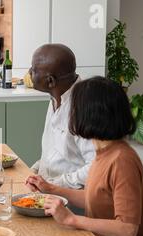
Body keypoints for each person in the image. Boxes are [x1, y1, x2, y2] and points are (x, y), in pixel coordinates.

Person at [26, 76, 143, 236]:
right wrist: (51, 189)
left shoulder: (122, 161)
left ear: (90, 114)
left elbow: (127, 230)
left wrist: (72, 220)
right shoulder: (103, 151)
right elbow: (97, 197)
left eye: (74, 109)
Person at [29, 44, 95, 189]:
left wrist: (54, 184)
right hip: (48, 191)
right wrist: (34, 170)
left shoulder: (84, 107)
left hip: (73, 200)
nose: (29, 72)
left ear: (50, 81)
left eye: (33, 70)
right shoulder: (56, 96)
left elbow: (96, 166)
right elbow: (55, 153)